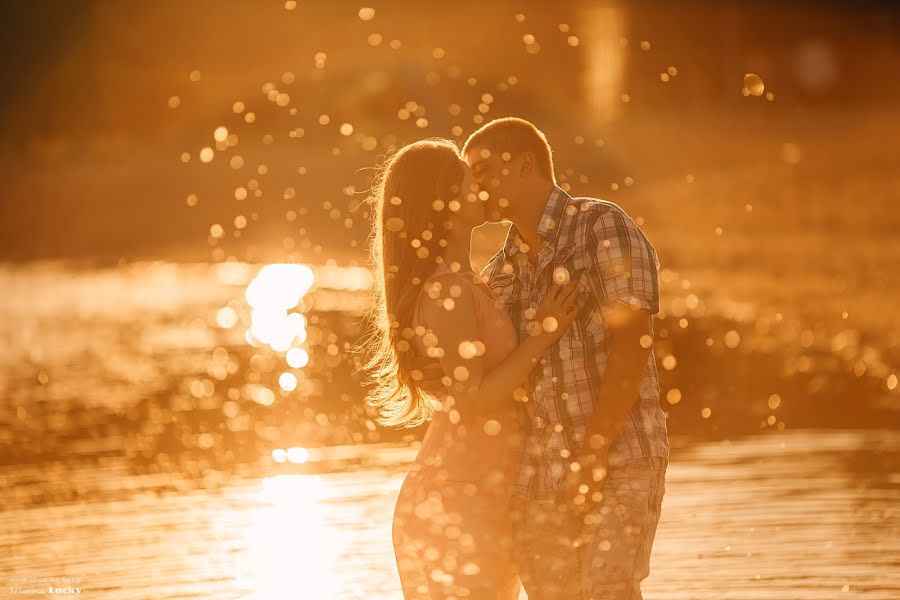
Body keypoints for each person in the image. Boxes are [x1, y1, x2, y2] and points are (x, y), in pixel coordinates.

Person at [451, 117, 670, 599]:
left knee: (608, 589)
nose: (476, 183)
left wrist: (594, 450)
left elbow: (632, 346)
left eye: (484, 169)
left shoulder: (601, 225)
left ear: (525, 163)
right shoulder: (500, 272)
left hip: (622, 456)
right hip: (537, 477)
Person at [360, 138, 581, 599]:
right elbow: (474, 398)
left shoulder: (470, 282)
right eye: (469, 179)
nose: (481, 187)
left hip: (485, 496)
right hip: (456, 501)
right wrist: (543, 334)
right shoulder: (448, 292)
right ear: (443, 203)